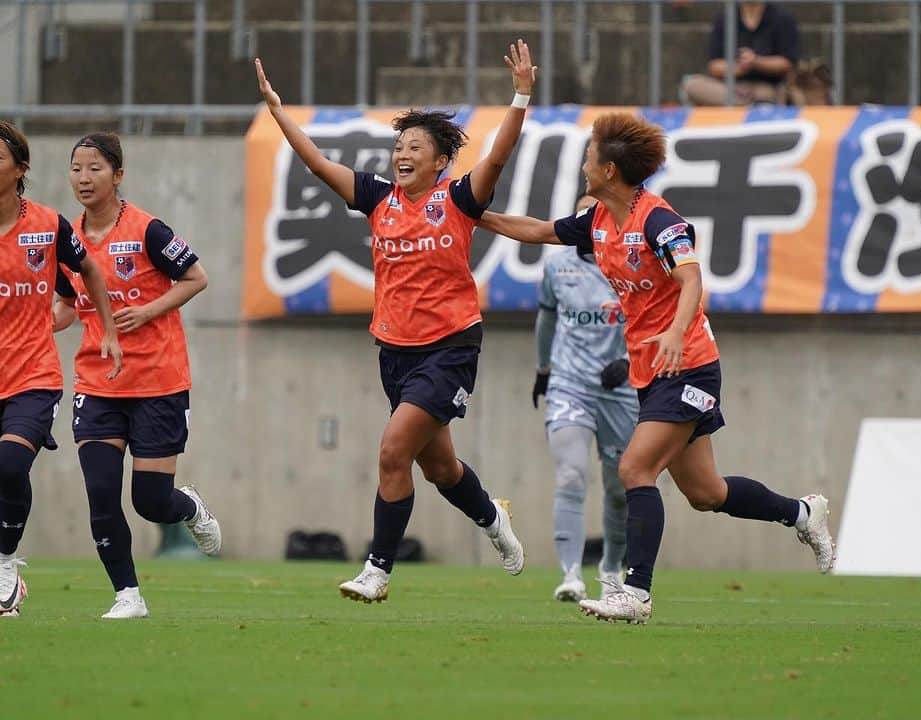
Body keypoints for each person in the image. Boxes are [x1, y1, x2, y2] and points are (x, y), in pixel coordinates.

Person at [479, 112, 835, 624]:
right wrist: (473, 215)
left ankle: (636, 594)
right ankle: (804, 514)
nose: (583, 164)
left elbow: (691, 281)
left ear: (609, 170)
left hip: (688, 365)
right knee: (706, 493)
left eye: (589, 157)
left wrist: (673, 330)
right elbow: (536, 230)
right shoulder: (598, 220)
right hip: (652, 372)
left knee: (633, 469)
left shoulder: (659, 220)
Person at [254, 40, 536, 604]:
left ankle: (377, 571)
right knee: (442, 469)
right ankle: (492, 518)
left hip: (450, 347)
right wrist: (279, 112)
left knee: (391, 452)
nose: (402, 154)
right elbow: (316, 163)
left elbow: (498, 158)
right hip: (395, 351)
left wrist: (522, 94)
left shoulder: (458, 199)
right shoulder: (377, 198)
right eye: (398, 146)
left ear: (438, 160)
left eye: (415, 147)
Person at [52, 132, 220, 620]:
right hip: (97, 383)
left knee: (149, 501)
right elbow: (67, 304)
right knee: (101, 492)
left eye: (95, 169)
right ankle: (128, 594)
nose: (84, 178)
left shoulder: (148, 231)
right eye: (76, 169)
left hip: (158, 382)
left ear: (118, 175)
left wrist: (147, 311)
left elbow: (197, 277)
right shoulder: (66, 241)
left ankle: (188, 508)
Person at [0, 121, 122, 618]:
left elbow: (88, 270)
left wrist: (108, 330)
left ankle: (5, 564)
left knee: (9, 465)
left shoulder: (48, 225)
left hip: (33, 376)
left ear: (20, 169)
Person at [534, 194, 634, 602]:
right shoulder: (557, 266)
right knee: (572, 474)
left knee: (620, 487)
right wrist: (543, 370)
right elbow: (547, 317)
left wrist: (628, 360)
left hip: (621, 389)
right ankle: (571, 574)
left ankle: (611, 567)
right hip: (570, 384)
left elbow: (656, 318)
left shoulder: (631, 267)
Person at [681, 2, 799, 106]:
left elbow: (787, 63)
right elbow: (714, 66)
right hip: (731, 88)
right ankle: (753, 106)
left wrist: (756, 62)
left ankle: (754, 104)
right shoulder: (724, 18)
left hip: (768, 87)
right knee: (691, 85)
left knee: (767, 94)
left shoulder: (783, 18)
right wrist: (741, 67)